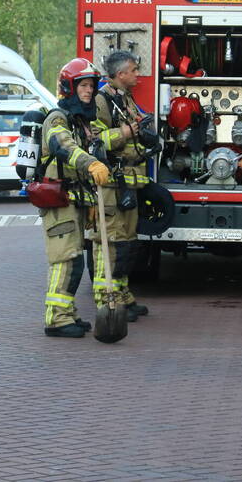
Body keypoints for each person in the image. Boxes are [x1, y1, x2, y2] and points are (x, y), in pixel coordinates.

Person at [37, 58, 112, 338]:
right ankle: (56, 319)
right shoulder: (58, 118)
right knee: (65, 259)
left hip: (75, 200)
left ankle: (68, 314)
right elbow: (62, 146)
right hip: (58, 201)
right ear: (69, 87)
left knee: (76, 261)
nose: (89, 91)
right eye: (83, 85)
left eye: (92, 86)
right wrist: (91, 163)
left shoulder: (81, 122)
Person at [91, 50, 151, 322]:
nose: (138, 74)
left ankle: (123, 296)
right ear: (119, 74)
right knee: (112, 242)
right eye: (134, 70)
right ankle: (109, 302)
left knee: (127, 243)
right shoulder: (101, 100)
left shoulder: (124, 98)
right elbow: (94, 141)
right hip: (112, 184)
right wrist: (126, 132)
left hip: (129, 182)